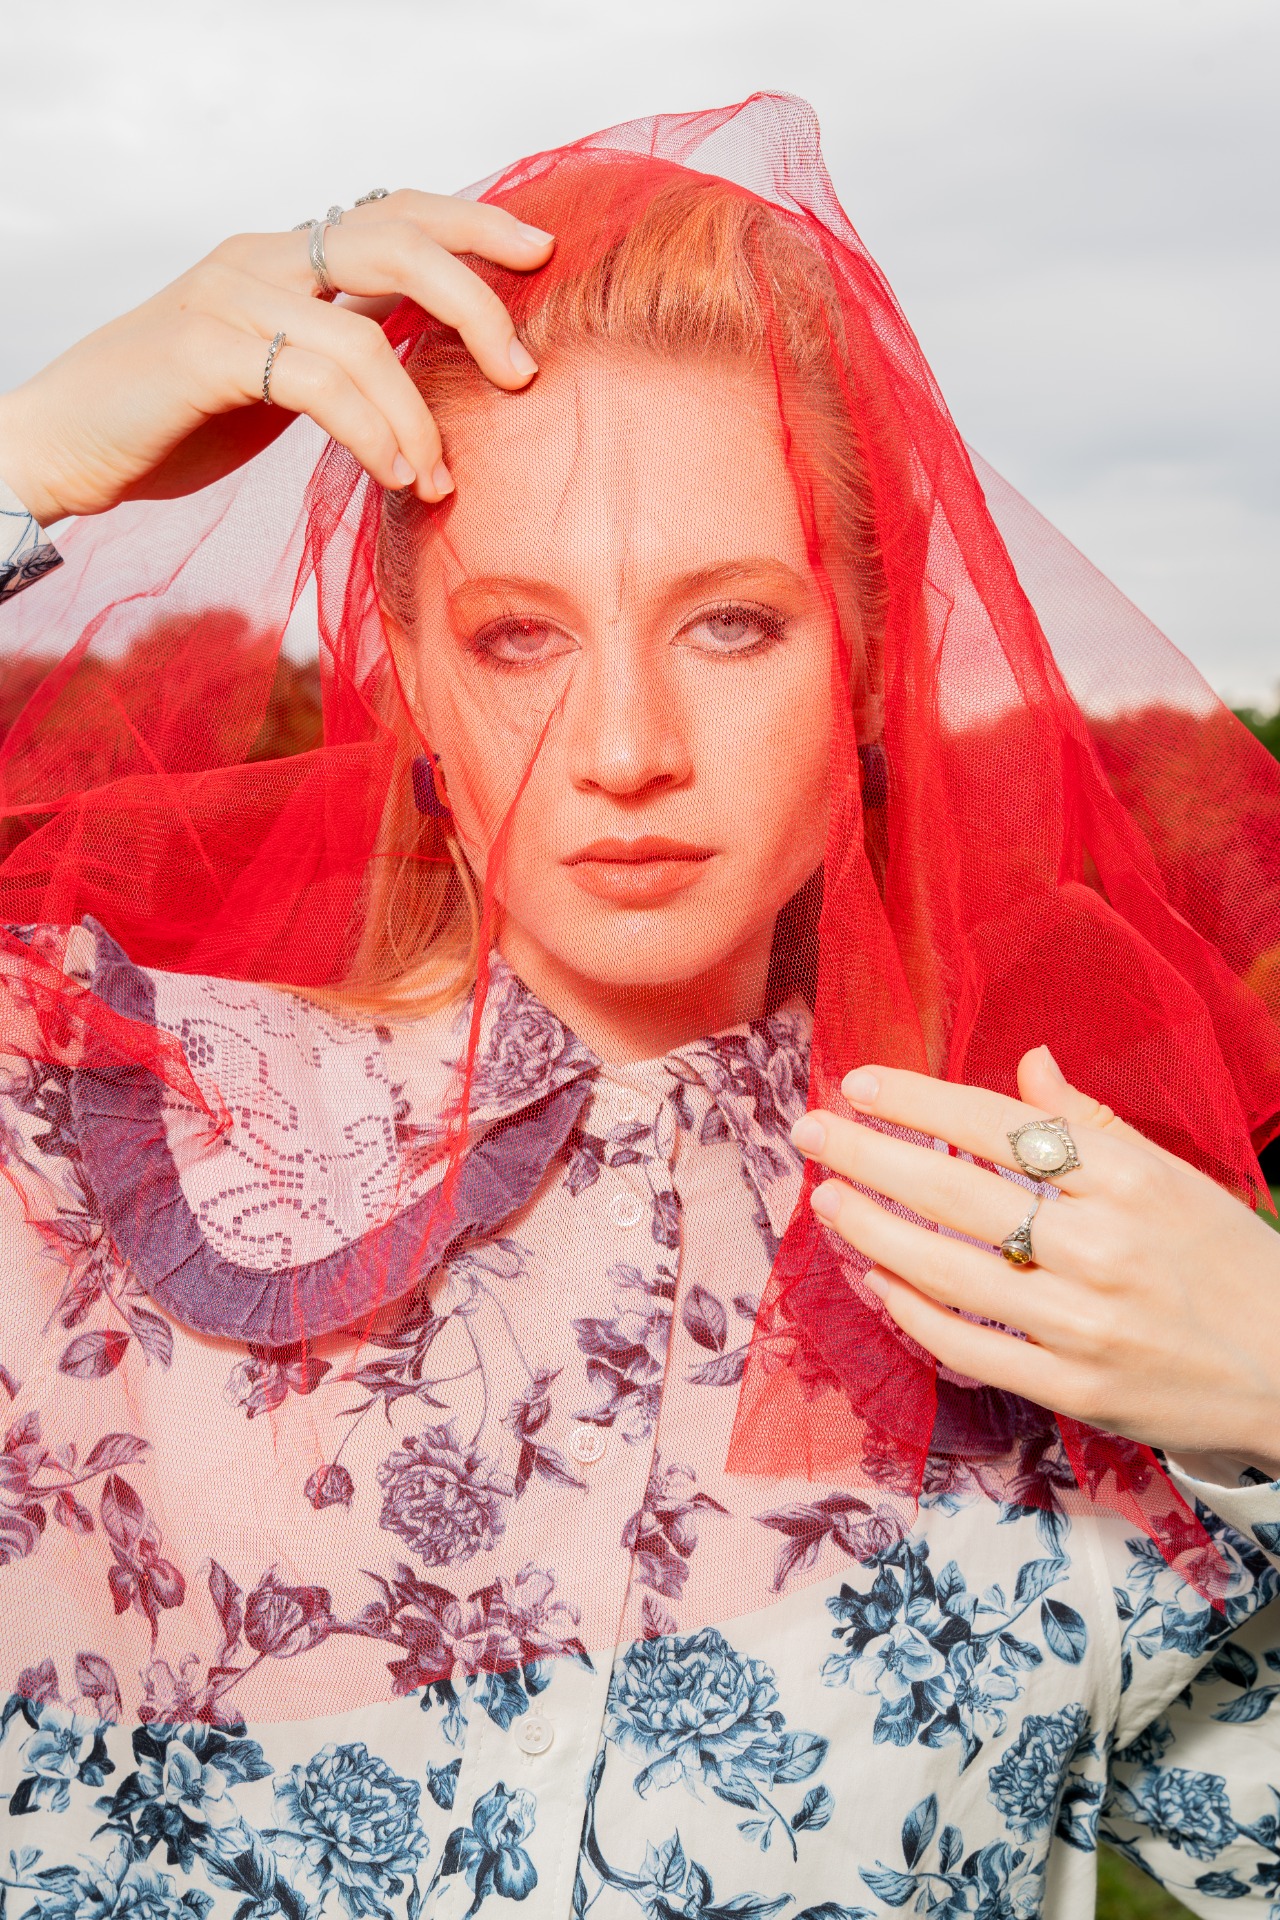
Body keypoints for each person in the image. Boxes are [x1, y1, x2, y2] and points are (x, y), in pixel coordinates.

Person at [0, 93, 1278, 1920]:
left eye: (732, 622)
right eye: (520, 633)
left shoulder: (1047, 1270)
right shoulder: (87, 1138)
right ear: (409, 673)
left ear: (866, 663)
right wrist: (29, 450)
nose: (623, 750)